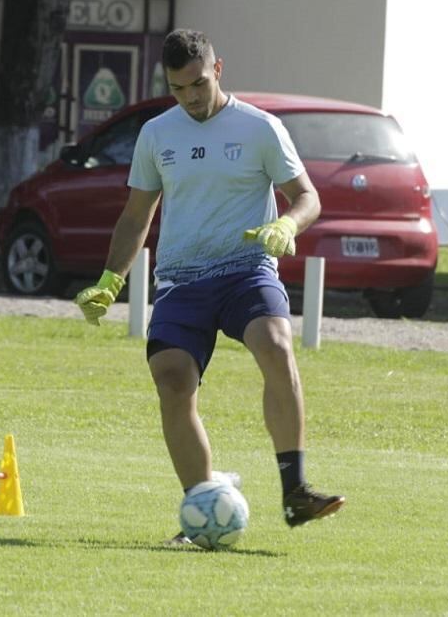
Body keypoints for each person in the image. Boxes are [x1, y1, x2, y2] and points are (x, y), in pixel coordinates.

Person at [75, 29, 344, 544]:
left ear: (218, 69)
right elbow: (136, 216)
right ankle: (203, 504)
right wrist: (111, 280)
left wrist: (287, 225)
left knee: (276, 344)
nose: (190, 98)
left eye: (197, 84)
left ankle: (295, 492)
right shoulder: (157, 133)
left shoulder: (260, 128)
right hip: (181, 280)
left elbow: (306, 196)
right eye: (178, 89)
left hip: (247, 270)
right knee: (173, 382)